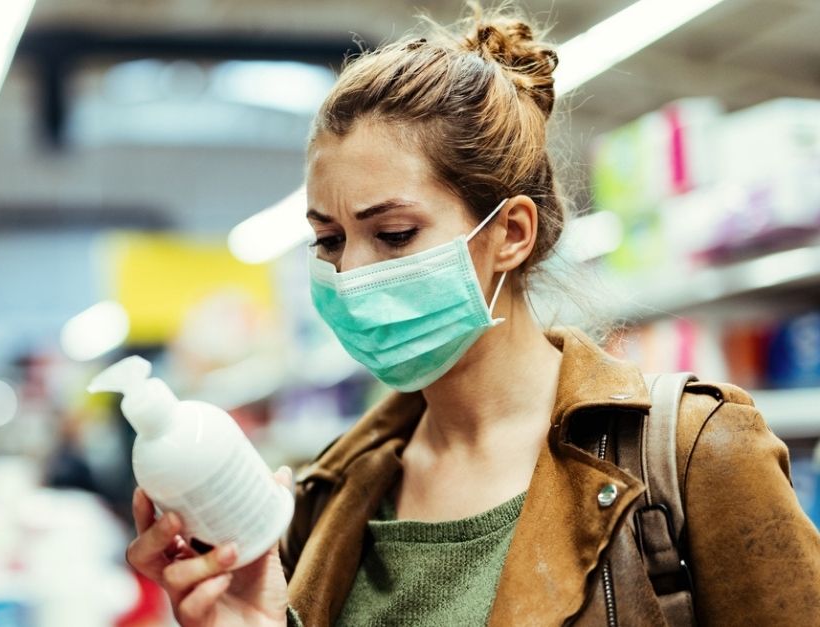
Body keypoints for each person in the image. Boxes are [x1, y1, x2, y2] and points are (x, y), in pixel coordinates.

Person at [124, 6, 820, 626]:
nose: (351, 275)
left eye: (394, 234)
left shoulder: (695, 454)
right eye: (329, 240)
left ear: (510, 233)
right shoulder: (324, 500)